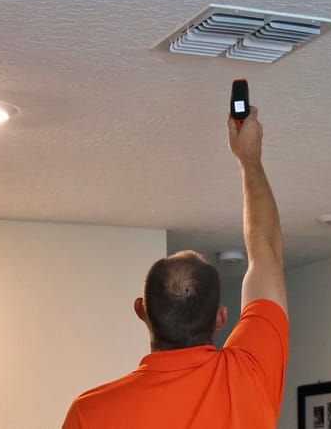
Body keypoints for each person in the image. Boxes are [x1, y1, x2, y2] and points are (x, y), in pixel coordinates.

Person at [62, 105, 289, 428]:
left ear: (142, 311)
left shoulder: (89, 413)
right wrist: (248, 158)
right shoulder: (249, 373)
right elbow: (266, 252)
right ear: (220, 318)